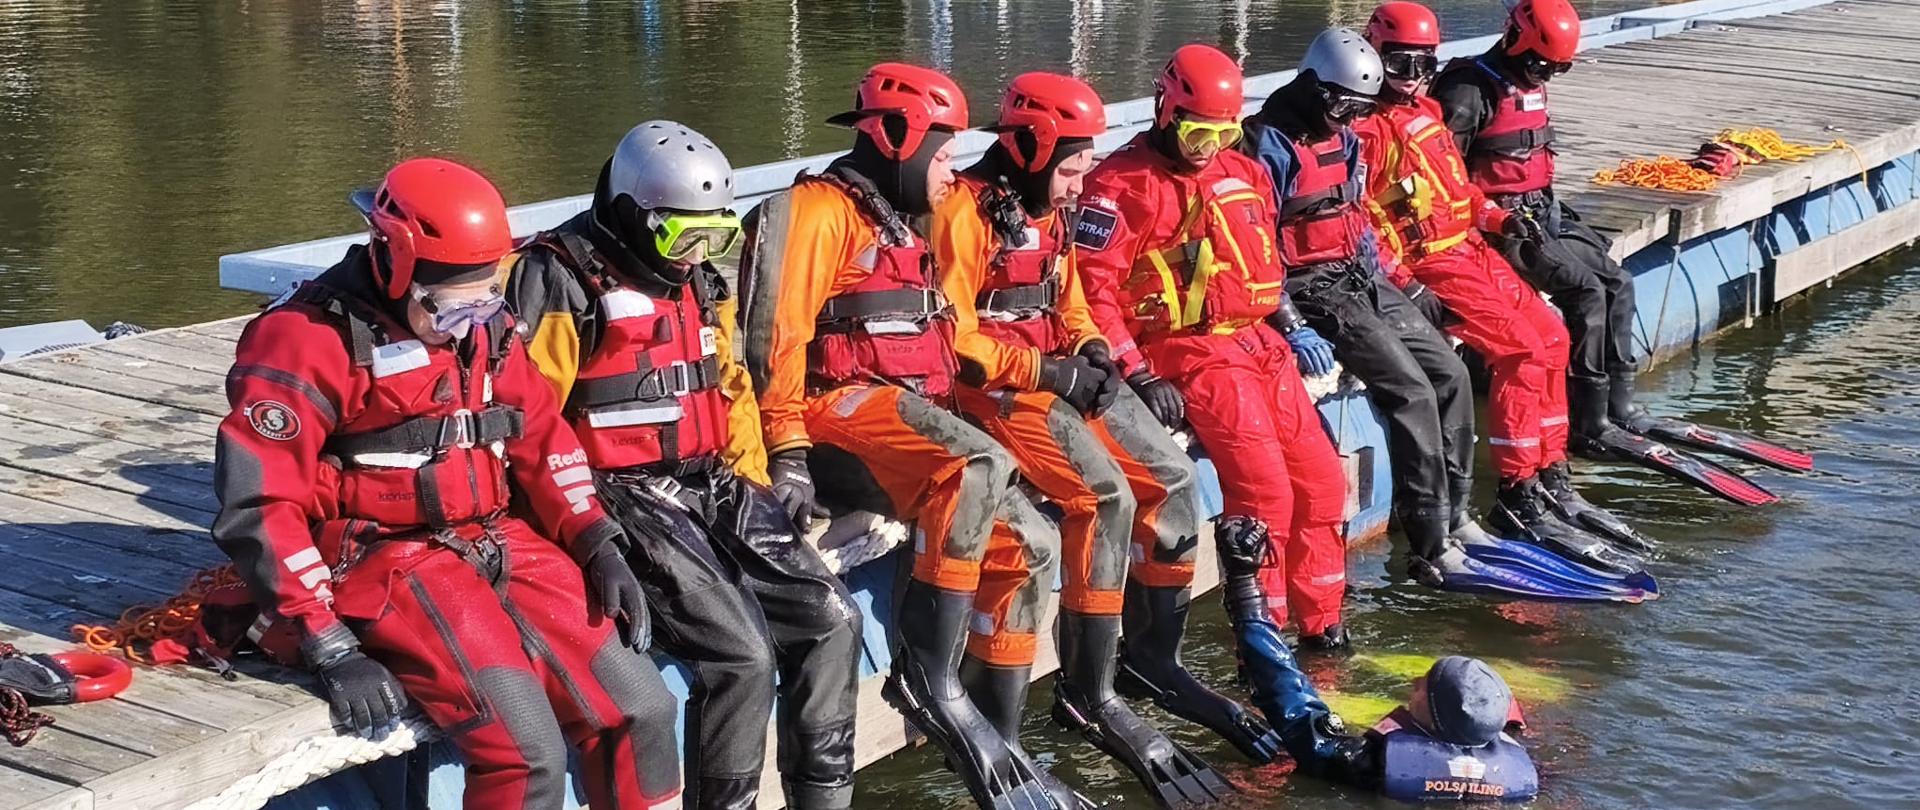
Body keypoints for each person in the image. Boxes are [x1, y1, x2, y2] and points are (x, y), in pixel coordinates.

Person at [212, 158, 682, 809]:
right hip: (386, 558)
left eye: (487, 298)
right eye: (450, 307)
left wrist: (595, 538)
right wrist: (329, 643)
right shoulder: (303, 341)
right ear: (394, 264)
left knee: (644, 711)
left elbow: (541, 436)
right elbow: (260, 504)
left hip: (498, 538)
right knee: (527, 756)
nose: (470, 322)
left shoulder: (485, 324)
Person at [737, 64, 1084, 810]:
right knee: (977, 459)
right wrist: (788, 453)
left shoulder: (900, 219)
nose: (951, 171)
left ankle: (999, 741)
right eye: (944, 152)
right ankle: (929, 675)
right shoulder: (814, 212)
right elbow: (777, 342)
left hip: (898, 418)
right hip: (831, 417)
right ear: (894, 138)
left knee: (1033, 544)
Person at [506, 122, 862, 810]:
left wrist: (762, 477)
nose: (695, 255)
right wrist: (578, 538)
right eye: (680, 237)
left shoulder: (697, 279)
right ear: (635, 216)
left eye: (716, 237)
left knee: (832, 619)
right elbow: (531, 422)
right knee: (742, 656)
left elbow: (728, 387)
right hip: (618, 490)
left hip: (713, 479)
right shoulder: (560, 278)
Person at [929, 72, 1230, 806]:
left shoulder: (1051, 211)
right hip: (998, 385)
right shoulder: (965, 215)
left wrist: (1093, 350)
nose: (1076, 184)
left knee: (1174, 477)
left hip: (1059, 368)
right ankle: (1084, 691)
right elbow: (958, 336)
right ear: (1029, 147)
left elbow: (1070, 300)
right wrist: (1050, 372)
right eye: (1068, 168)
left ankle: (1146, 661)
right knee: (1105, 498)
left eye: (1083, 167)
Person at [1072, 42, 1336, 764]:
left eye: (1223, 134)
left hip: (1258, 343)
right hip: (1186, 350)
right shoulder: (1118, 186)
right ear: (1167, 110)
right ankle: (1263, 648)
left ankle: (1323, 633)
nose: (1209, 150)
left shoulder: (1242, 168)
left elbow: (1262, 262)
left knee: (1324, 482)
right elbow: (1093, 292)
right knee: (1265, 495)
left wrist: (1291, 323)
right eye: (1198, 135)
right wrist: (1134, 369)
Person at [1431, 0, 1803, 508]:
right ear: (1517, 41)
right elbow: (1441, 178)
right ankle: (1588, 421)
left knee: (1617, 282)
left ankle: (1616, 405)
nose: (1548, 75)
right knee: (1583, 291)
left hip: (1541, 214)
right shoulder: (1468, 90)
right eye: (1544, 65)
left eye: (1559, 68)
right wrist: (1491, 221)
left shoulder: (1527, 81)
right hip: (1498, 228)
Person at [1353, 2, 1657, 578]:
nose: (1413, 75)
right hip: (1431, 262)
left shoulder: (1424, 111)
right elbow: (1364, 222)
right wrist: (1406, 283)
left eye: (1423, 63)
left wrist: (1495, 218)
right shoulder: (1365, 131)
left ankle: (1548, 472)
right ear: (1374, 57)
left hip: (1466, 245)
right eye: (1400, 63)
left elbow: (1456, 190)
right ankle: (1516, 488)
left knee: (1549, 335)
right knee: (1520, 349)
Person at [1241, 29, 1478, 588]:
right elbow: (1253, 246)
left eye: (1358, 109)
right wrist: (1289, 321)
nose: (1347, 118)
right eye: (1341, 104)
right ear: (1311, 86)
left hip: (1358, 275)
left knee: (1451, 372)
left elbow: (1358, 219)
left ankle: (1457, 513)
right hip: (1310, 287)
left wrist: (1401, 283)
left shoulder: (1344, 139)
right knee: (1411, 391)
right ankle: (1428, 539)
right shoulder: (1268, 145)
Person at [1214, 517, 1540, 802]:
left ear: (1435, 717)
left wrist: (1245, 589)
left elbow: (1291, 703)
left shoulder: (1371, 766)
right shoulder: (1517, 776)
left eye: (1423, 688)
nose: (1413, 683)